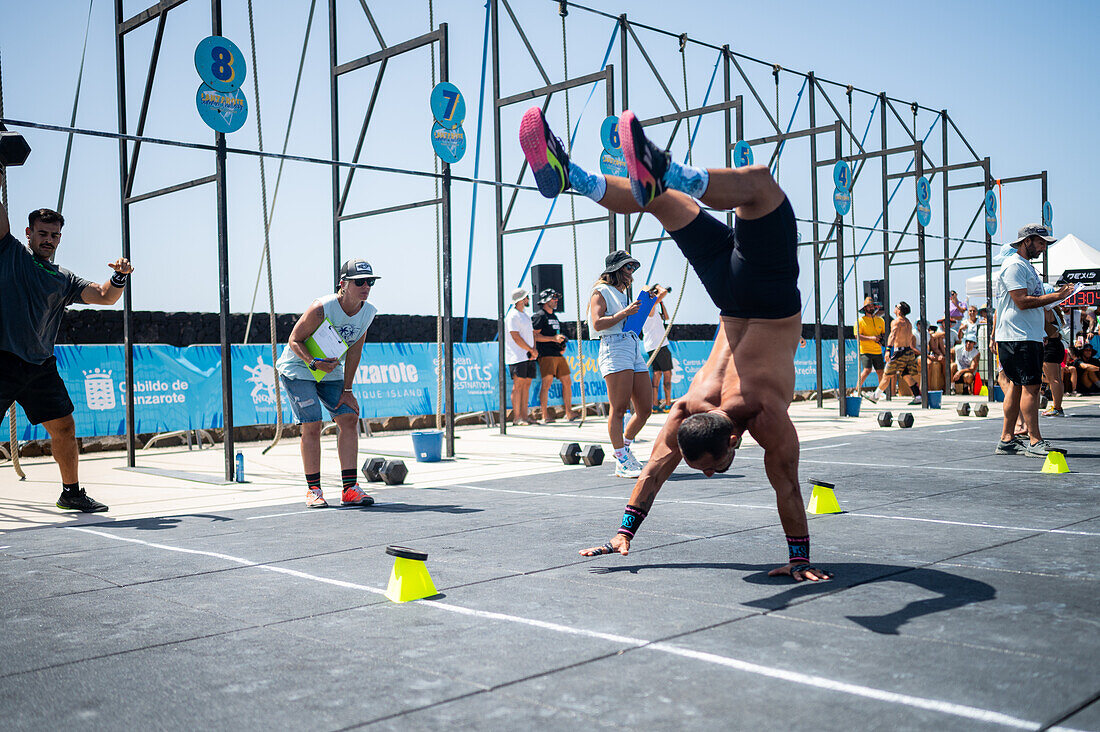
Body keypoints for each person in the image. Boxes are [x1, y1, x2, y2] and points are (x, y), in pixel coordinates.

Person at [520, 107, 831, 581]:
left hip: (757, 297)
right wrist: (797, 558)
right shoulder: (693, 409)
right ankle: (604, 177)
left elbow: (784, 487)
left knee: (757, 189)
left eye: (712, 467)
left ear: (730, 439)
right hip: (741, 294)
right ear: (729, 438)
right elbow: (771, 487)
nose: (709, 475)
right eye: (713, 468)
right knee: (663, 199)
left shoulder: (728, 411)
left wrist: (800, 559)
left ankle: (603, 175)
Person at [0, 169, 134, 513]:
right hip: (2, 359)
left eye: (54, 235)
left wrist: (119, 275)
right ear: (28, 233)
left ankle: (71, 493)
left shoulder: (63, 278)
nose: (48, 239)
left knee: (64, 426)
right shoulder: (10, 252)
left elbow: (105, 296)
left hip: (40, 366)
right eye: (42, 233)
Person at [276, 259, 378, 508]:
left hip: (330, 371)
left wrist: (348, 390)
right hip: (300, 368)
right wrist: (313, 363)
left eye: (370, 281)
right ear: (343, 284)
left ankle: (350, 489)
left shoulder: (368, 312)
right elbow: (294, 340)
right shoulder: (321, 307)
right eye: (360, 282)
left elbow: (355, 351)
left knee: (349, 417)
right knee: (312, 424)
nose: (366, 286)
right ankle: (313, 490)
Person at [992, 224, 1072, 457]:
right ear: (1027, 241)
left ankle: (1007, 439)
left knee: (1018, 386)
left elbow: (1031, 302)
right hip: (1018, 337)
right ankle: (1035, 441)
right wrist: (1056, 295)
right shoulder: (1014, 265)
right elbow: (1022, 301)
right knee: (1032, 387)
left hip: (1024, 335)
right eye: (1040, 242)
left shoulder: (1025, 266)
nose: (1043, 247)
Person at [589, 251, 653, 478]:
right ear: (616, 269)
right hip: (614, 347)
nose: (632, 272)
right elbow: (597, 323)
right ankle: (621, 458)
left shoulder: (623, 294)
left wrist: (645, 305)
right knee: (619, 408)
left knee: (645, 408)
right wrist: (625, 312)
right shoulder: (601, 291)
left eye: (633, 267)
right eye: (628, 267)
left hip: (632, 344)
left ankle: (623, 449)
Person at [531, 288, 578, 422]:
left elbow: (556, 334)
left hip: (557, 353)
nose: (556, 301)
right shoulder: (539, 316)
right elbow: (534, 336)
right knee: (547, 383)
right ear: (545, 301)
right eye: (553, 298)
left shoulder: (554, 317)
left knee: (567, 381)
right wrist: (553, 339)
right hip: (545, 354)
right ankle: (545, 415)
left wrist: (561, 344)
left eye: (557, 298)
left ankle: (569, 412)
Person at [505, 288, 538, 426]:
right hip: (517, 356)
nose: (528, 299)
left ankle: (525, 416)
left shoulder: (525, 315)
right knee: (518, 386)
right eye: (526, 297)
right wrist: (530, 349)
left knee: (526, 386)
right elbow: (515, 336)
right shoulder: (512, 315)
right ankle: (517, 417)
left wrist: (533, 350)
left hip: (528, 355)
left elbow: (531, 334)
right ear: (521, 299)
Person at [879, 302, 923, 405]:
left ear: (899, 310)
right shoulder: (908, 322)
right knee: (906, 375)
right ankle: (918, 396)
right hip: (908, 352)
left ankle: (876, 395)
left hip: (899, 352)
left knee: (887, 374)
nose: (894, 308)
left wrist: (888, 350)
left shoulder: (896, 322)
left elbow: (892, 336)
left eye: (896, 307)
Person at [641, 284, 674, 413]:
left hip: (651, 345)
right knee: (667, 374)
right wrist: (657, 286)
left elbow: (666, 317)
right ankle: (667, 404)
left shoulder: (647, 309)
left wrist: (661, 302)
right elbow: (664, 291)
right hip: (659, 345)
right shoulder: (649, 305)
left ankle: (654, 405)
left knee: (657, 373)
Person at [855, 297, 886, 402]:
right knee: (867, 370)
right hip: (865, 350)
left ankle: (879, 393)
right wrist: (872, 338)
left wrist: (881, 339)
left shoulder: (880, 320)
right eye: (869, 306)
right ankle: (856, 391)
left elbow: (884, 334)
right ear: (865, 308)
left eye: (872, 305)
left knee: (881, 372)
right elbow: (857, 336)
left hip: (877, 350)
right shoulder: (860, 321)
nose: (871, 307)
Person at [1041, 306, 1067, 417]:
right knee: (1056, 379)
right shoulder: (1055, 311)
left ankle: (1057, 408)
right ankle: (1058, 407)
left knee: (1054, 380)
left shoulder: (1046, 310)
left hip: (1050, 346)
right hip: (1057, 344)